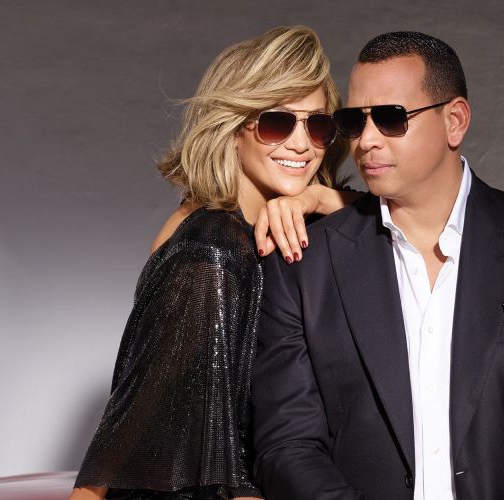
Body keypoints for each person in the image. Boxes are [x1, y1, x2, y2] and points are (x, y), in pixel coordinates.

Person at [251, 31, 504, 500]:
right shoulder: (303, 265)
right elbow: (287, 446)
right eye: (355, 121)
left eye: (390, 118)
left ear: (455, 121)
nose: (366, 141)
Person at [70, 26, 356, 500]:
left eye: (318, 125)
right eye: (277, 123)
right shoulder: (214, 251)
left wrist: (321, 197)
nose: (302, 145)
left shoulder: (236, 227)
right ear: (234, 129)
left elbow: (404, 222)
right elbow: (150, 431)